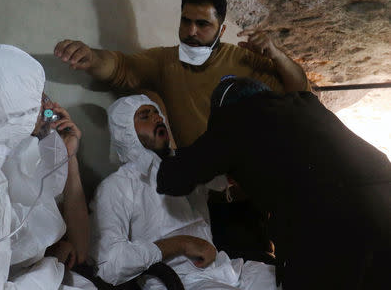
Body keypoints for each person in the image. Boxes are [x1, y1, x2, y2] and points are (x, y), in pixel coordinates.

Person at [156, 77, 391, 290]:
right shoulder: (306, 104)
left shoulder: (233, 119)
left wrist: (169, 154)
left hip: (331, 224)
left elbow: (173, 179)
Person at [54, 0, 310, 148]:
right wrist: (91, 57)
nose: (191, 31)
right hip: (197, 189)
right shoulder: (164, 61)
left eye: (203, 25)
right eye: (186, 21)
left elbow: (299, 91)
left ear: (221, 29)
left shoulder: (244, 59)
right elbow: (121, 68)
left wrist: (276, 55)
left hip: (246, 188)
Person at [0, 44, 94, 290]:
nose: (49, 107)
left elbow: (80, 249)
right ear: (13, 106)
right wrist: (48, 266)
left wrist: (70, 158)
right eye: (39, 98)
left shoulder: (10, 163)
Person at [89, 94, 277, 290]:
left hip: (226, 270)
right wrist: (180, 244)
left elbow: (226, 173)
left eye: (157, 113)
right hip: (179, 282)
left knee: (294, 278)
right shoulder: (115, 187)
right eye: (145, 116)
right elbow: (109, 265)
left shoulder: (183, 167)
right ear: (125, 132)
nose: (157, 118)